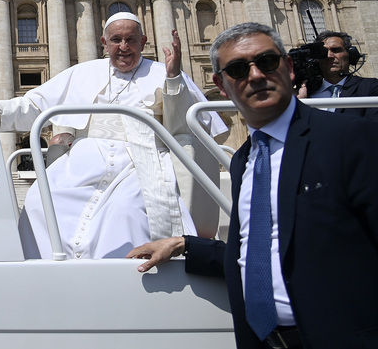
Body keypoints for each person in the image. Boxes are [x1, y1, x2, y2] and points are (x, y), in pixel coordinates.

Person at [128, 22, 378, 349]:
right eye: (237, 69)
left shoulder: (352, 138)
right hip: (262, 341)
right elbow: (261, 252)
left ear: (288, 68)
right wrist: (185, 245)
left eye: (267, 62)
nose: (256, 75)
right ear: (221, 84)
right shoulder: (245, 159)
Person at [0, 12, 226, 259]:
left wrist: (173, 80)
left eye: (131, 40)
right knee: (40, 201)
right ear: (104, 44)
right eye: (116, 40)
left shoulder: (163, 72)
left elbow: (185, 125)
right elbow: (33, 107)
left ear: (143, 42)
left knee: (125, 210)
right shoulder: (83, 73)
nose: (124, 47)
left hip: (141, 160)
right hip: (85, 160)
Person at [298, 30, 378, 118]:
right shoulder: (306, 94)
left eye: (336, 50)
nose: (329, 56)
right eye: (324, 52)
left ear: (351, 54)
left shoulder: (370, 87)